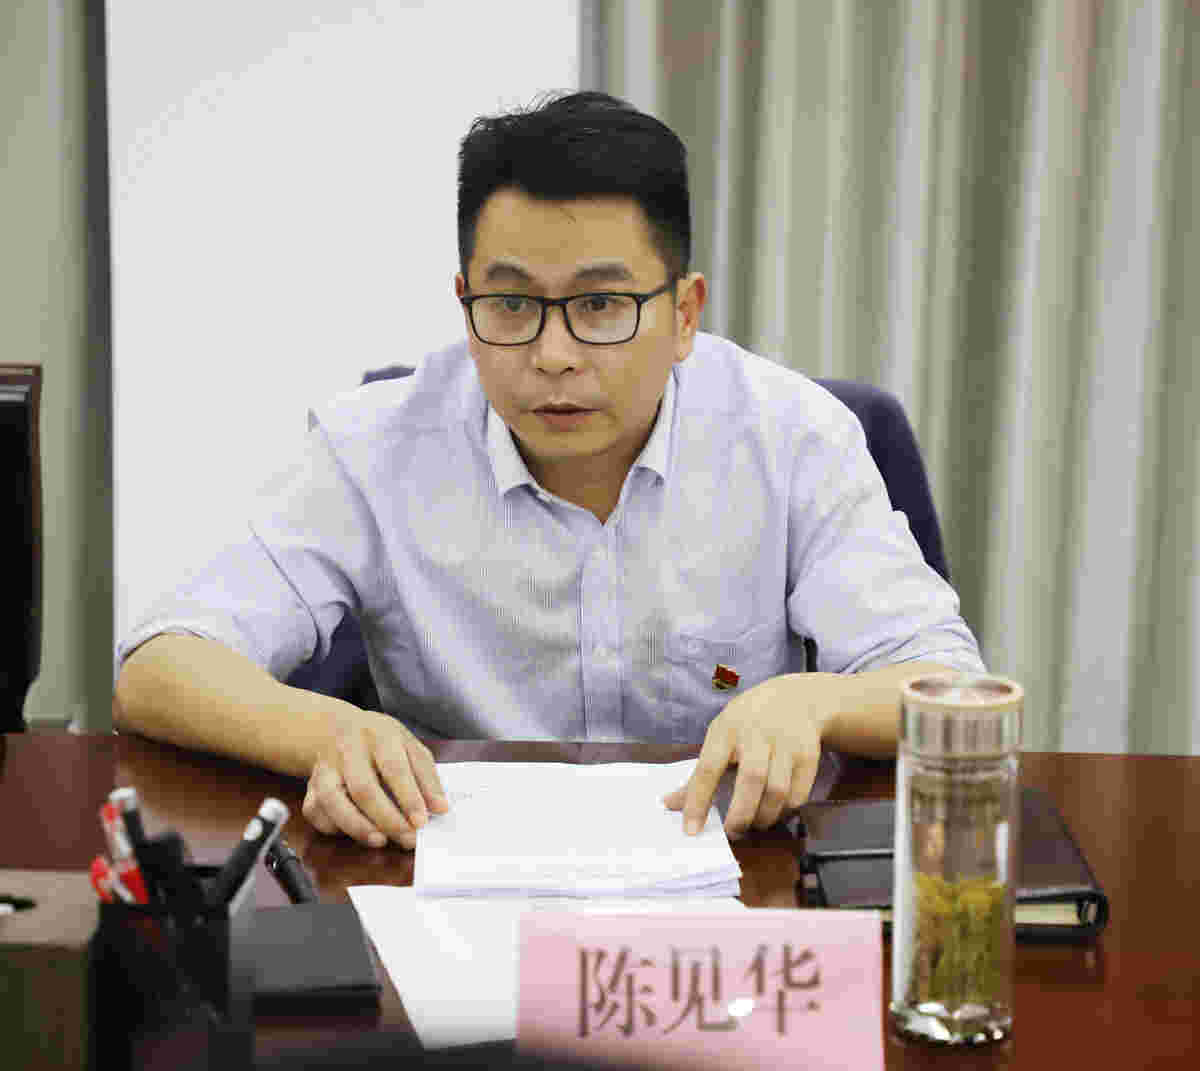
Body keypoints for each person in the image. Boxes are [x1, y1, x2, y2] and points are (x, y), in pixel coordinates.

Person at [113, 90, 984, 853]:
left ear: (684, 313)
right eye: (512, 303)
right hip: (451, 878)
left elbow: (952, 691)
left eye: (601, 305)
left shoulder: (793, 437)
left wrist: (816, 703)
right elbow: (159, 666)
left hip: (724, 881)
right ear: (465, 301)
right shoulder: (376, 445)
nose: (554, 353)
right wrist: (323, 729)